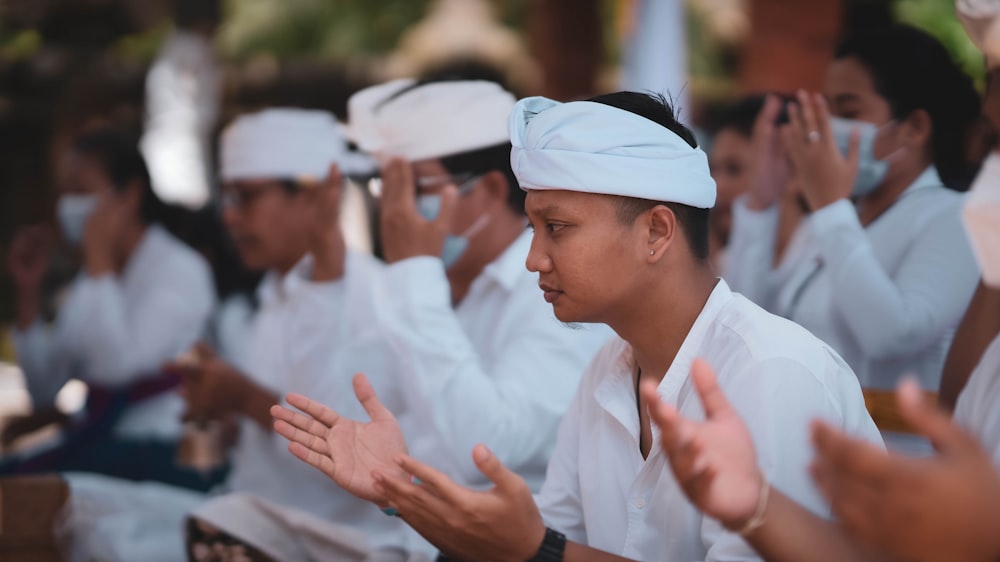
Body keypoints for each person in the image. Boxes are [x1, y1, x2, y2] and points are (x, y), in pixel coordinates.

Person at [273, 91, 882, 561]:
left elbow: (540, 547)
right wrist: (401, 490)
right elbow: (540, 537)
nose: (535, 258)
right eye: (534, 228)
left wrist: (538, 550)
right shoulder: (609, 368)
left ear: (657, 232)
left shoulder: (768, 369)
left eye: (556, 228)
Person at [60, 109, 430, 562]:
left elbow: (356, 459)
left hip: (326, 536)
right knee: (71, 504)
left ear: (317, 197)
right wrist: (226, 415)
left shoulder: (374, 299)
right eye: (228, 199)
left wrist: (246, 398)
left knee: (107, 538)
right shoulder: (275, 294)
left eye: (247, 198)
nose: (230, 218)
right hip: (242, 509)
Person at [348, 78, 612, 489]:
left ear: (489, 189)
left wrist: (414, 274)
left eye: (415, 188)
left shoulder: (555, 289)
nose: (395, 211)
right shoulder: (431, 284)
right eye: (388, 189)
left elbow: (487, 451)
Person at [738, 24, 982, 451]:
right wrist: (761, 201)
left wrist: (831, 206)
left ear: (915, 128)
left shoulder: (952, 216)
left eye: (848, 112)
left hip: (898, 465)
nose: (828, 130)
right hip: (809, 456)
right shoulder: (833, 222)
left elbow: (893, 333)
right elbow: (745, 318)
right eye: (825, 110)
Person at [3, 128, 216, 487]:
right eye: (65, 193)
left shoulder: (181, 270)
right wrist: (29, 293)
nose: (69, 206)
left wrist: (99, 261)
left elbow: (118, 368)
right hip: (101, 444)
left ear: (129, 195)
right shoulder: (91, 280)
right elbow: (43, 389)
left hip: (161, 450)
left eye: (81, 191)